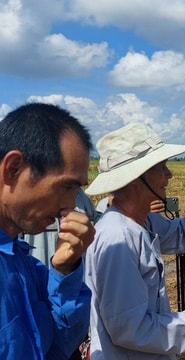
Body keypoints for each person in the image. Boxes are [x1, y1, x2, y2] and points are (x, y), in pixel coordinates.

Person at [84, 122, 185, 359]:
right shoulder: (118, 239)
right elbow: (130, 328)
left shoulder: (142, 222)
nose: (169, 174)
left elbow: (181, 234)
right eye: (162, 167)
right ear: (138, 177)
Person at [0, 103, 95, 359]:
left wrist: (64, 269)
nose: (69, 206)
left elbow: (56, 348)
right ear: (13, 169)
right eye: (65, 187)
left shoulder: (27, 265)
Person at [24, 188, 98, 268]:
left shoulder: (81, 198)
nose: (70, 204)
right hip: (36, 271)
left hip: (71, 273)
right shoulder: (30, 198)